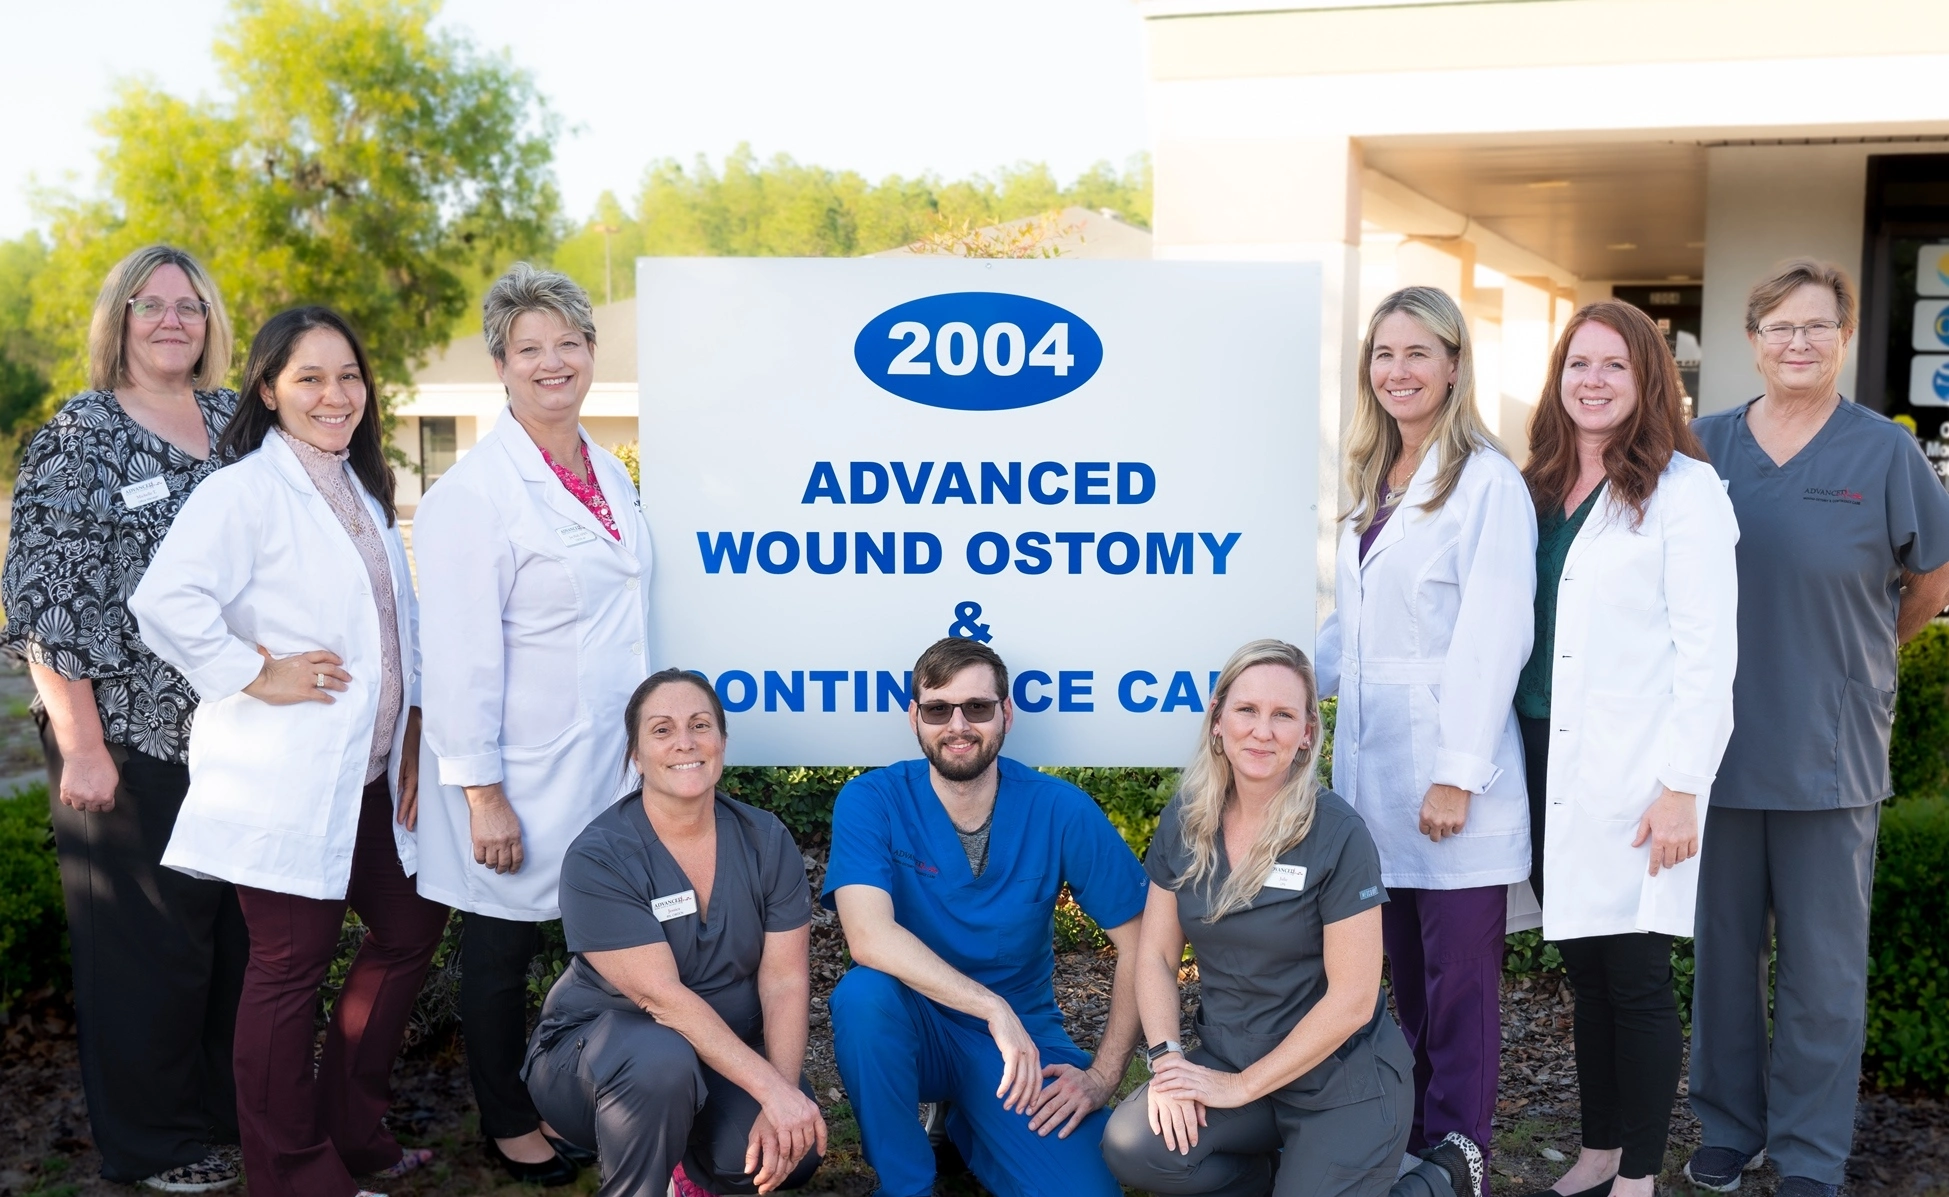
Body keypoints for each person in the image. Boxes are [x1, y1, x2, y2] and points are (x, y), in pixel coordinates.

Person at [130, 306, 449, 1196]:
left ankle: (353, 1125)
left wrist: (414, 726)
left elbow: (399, 625)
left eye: (348, 376)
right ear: (268, 388)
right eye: (309, 377)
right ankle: (293, 1172)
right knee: (288, 968)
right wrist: (255, 672)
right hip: (286, 779)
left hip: (373, 777)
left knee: (412, 924)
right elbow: (166, 602)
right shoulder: (242, 492)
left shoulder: (362, 486)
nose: (334, 394)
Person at [1686, 260, 1949, 1197]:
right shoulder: (1699, 444)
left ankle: (1806, 1150)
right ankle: (1726, 1125)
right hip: (1709, 756)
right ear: (1751, 341)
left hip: (1828, 755)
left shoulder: (1884, 452)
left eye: (1815, 327)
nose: (1796, 342)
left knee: (1822, 974)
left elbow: (1932, 579)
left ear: (1842, 337)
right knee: (1720, 957)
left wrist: (1867, 646)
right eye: (1777, 328)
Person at [0, 245, 249, 1192]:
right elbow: (48, 601)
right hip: (130, 743)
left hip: (239, 740)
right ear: (121, 319)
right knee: (146, 959)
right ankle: (156, 1146)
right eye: (153, 306)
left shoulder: (238, 421)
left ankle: (228, 1121)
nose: (174, 321)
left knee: (229, 950)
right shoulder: (81, 434)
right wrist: (84, 744)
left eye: (191, 305)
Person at [414, 262, 652, 1184]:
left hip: (607, 760)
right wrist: (482, 792)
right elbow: (463, 655)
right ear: (500, 366)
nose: (551, 362)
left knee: (604, 940)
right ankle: (508, 1122)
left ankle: (600, 1092)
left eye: (567, 342)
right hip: (517, 769)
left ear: (591, 352)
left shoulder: (606, 471)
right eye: (528, 349)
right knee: (502, 943)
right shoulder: (473, 496)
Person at [1101, 639, 1481, 1197]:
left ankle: (1438, 1180)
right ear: (1217, 721)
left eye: (1283, 715)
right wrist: (1167, 1062)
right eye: (1247, 711)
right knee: (1136, 1146)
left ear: (1306, 733)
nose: (1262, 731)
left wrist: (1239, 1087)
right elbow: (1157, 956)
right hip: (1230, 1058)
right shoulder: (1186, 818)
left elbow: (1352, 1001)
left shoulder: (1337, 833)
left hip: (1341, 1079)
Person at [1513, 302, 1740, 1197]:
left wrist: (1683, 786)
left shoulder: (1685, 491)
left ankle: (1639, 1175)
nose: (1593, 381)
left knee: (1636, 970)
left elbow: (1709, 652)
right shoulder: (1536, 487)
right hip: (1538, 752)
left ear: (1648, 379)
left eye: (1614, 364)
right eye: (1578, 364)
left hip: (1636, 767)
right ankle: (1597, 1152)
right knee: (1583, 962)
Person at [1314, 285, 1537, 1183]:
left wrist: (1457, 773)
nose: (1397, 371)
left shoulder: (1484, 481)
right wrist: (1276, 683)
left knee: (1458, 987)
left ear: (1452, 365)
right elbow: (1350, 635)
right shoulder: (1377, 480)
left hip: (1453, 781)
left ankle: (1461, 1150)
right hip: (1372, 777)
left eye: (1417, 353)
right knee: (1396, 975)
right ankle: (1404, 1138)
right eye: (1382, 354)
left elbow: (1494, 636)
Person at [824, 637, 1149, 1197]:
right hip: (915, 1025)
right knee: (862, 996)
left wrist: (1102, 1076)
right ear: (914, 718)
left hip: (1020, 1043)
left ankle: (967, 1116)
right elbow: (868, 936)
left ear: (1006, 715)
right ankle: (905, 1185)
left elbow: (1145, 941)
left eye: (977, 707)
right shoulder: (871, 799)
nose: (958, 725)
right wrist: (989, 1006)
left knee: (1086, 1191)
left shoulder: (1059, 806)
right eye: (938, 709)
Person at [524, 669, 826, 1196]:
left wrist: (779, 1096)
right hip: (599, 1064)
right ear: (636, 755)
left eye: (700, 725)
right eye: (662, 730)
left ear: (722, 743)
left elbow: (784, 982)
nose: (685, 742)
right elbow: (661, 1000)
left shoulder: (765, 839)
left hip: (719, 1054)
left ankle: (689, 1173)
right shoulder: (600, 857)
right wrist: (773, 1092)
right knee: (658, 1062)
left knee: (786, 1151)